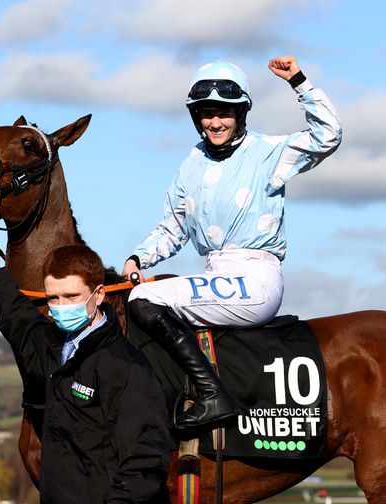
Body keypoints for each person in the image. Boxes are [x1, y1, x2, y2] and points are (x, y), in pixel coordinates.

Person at [122, 55, 342, 432]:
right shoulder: (191, 164)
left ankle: (214, 396)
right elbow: (174, 227)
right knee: (142, 296)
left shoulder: (268, 153)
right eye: (207, 114)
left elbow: (328, 135)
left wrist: (299, 82)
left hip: (256, 280)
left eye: (225, 113)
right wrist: (138, 257)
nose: (215, 122)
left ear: (241, 113)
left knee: (143, 300)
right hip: (215, 275)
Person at [0, 232, 171, 504]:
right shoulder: (56, 350)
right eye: (53, 298)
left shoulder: (125, 368)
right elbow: (20, 321)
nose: (61, 307)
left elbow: (144, 461)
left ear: (99, 294)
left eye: (71, 296)